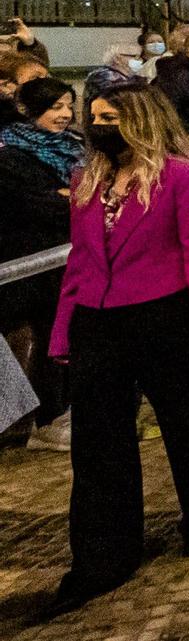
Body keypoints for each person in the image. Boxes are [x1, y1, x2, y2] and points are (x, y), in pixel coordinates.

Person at [50, 86, 189, 609]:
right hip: (98, 321)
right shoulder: (86, 180)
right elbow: (80, 260)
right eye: (94, 117)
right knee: (98, 445)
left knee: (187, 423)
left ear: (141, 121)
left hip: (165, 317)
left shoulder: (185, 177)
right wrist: (65, 328)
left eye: (110, 117)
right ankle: (103, 555)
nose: (97, 125)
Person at [0, 77, 84, 448]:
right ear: (29, 109)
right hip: (30, 266)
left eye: (68, 106)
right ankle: (48, 418)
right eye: (55, 107)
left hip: (67, 259)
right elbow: (43, 206)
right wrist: (68, 198)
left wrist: (71, 196)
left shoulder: (75, 146)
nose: (65, 115)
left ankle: (60, 412)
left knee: (64, 334)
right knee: (50, 333)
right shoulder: (11, 156)